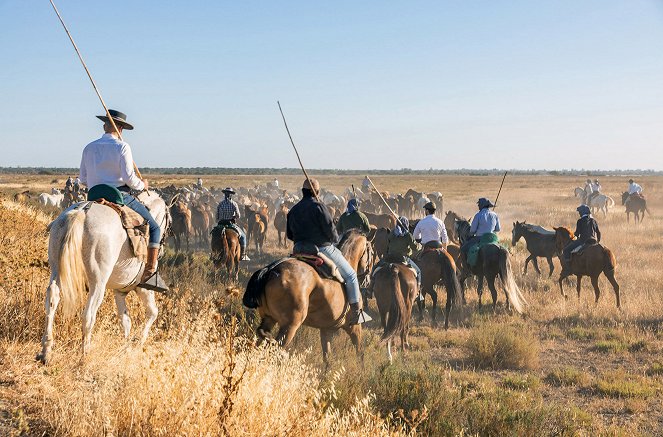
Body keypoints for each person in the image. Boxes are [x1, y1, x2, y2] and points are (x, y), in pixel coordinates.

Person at [79, 109, 167, 291]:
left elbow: (83, 180)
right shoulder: (122, 146)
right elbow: (129, 179)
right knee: (156, 227)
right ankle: (150, 273)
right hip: (119, 196)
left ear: (105, 125)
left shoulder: (89, 147)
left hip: (93, 195)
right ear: (121, 129)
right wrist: (143, 184)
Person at [287, 178, 368, 325]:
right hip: (321, 248)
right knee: (350, 275)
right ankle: (357, 313)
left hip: (298, 249)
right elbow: (332, 234)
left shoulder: (293, 210)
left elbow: (289, 235)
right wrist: (334, 239)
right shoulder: (319, 207)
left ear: (302, 191)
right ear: (316, 192)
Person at [216, 187, 250, 261]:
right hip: (230, 223)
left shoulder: (220, 204)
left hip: (221, 223)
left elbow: (217, 216)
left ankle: (214, 254)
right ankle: (243, 254)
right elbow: (238, 215)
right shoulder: (234, 204)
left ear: (224, 194)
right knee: (243, 236)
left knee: (214, 236)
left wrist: (220, 219)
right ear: (231, 195)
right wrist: (233, 217)